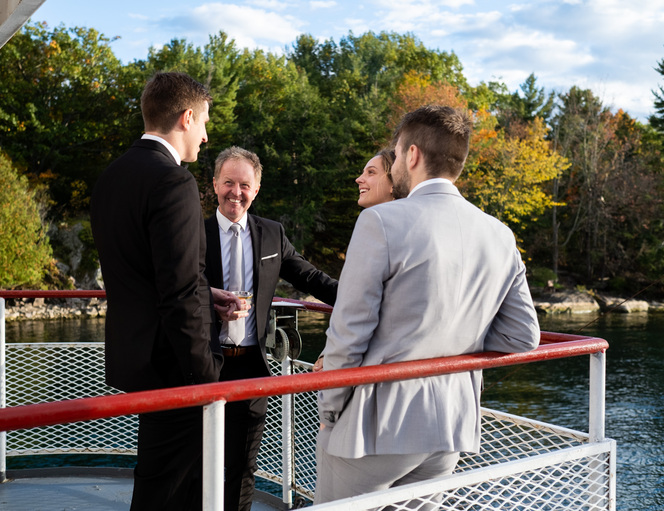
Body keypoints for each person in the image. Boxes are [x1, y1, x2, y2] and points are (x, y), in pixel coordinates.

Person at [314, 105, 541, 506]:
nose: (396, 162)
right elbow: (524, 336)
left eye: (398, 155)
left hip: (373, 427)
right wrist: (459, 332)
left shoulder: (381, 222)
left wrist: (329, 409)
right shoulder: (500, 234)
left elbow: (349, 333)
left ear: (413, 155)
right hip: (449, 426)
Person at [90, 72, 241, 510]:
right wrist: (207, 373)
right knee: (174, 487)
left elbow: (144, 271)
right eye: (205, 122)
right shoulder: (173, 181)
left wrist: (206, 292)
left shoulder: (112, 176)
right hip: (176, 365)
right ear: (186, 117)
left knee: (159, 473)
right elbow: (176, 294)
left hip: (136, 356)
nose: (207, 135)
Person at [204, 146, 338, 511]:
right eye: (228, 182)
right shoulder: (194, 235)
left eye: (244, 184)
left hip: (251, 367)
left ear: (257, 189)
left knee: (244, 466)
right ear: (215, 184)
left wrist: (361, 303)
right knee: (197, 461)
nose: (236, 192)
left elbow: (311, 277)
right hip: (203, 364)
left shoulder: (271, 234)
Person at [313, 147, 398, 372]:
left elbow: (358, 309)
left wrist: (330, 359)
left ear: (394, 182)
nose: (359, 179)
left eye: (371, 172)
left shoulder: (372, 223)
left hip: (374, 371)